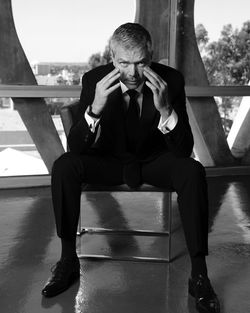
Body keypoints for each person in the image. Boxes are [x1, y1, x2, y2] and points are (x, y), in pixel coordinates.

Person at [42, 23, 220, 313]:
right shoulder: (94, 80)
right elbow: (76, 147)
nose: (133, 73)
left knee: (192, 170)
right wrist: (94, 108)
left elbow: (183, 149)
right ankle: (67, 261)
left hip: (153, 162)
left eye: (141, 63)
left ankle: (199, 273)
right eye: (124, 63)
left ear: (151, 56)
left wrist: (166, 110)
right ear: (112, 58)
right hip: (109, 161)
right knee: (64, 166)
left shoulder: (171, 80)